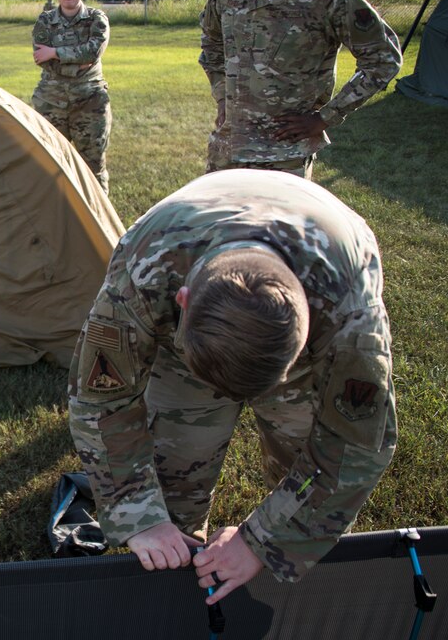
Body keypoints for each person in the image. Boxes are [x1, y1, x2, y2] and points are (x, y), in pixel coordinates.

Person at [68, 169, 397, 605]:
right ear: (182, 301)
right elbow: (101, 401)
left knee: (303, 458)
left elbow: (354, 446)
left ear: (307, 337)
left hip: (307, 285)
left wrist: (265, 539)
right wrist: (140, 515)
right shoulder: (143, 273)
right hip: (187, 284)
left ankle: (276, 565)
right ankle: (179, 577)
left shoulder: (350, 315)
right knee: (172, 481)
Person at [199, 0, 402, 179]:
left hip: (285, 156)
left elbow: (383, 60)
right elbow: (211, 43)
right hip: (227, 152)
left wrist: (325, 117)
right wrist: (221, 97)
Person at [32, 0, 112, 194]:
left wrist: (56, 52)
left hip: (90, 102)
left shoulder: (97, 19)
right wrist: (79, 59)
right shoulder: (45, 22)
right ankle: (58, 214)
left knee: (93, 165)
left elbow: (94, 52)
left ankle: (99, 219)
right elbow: (41, 58)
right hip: (50, 103)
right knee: (50, 163)